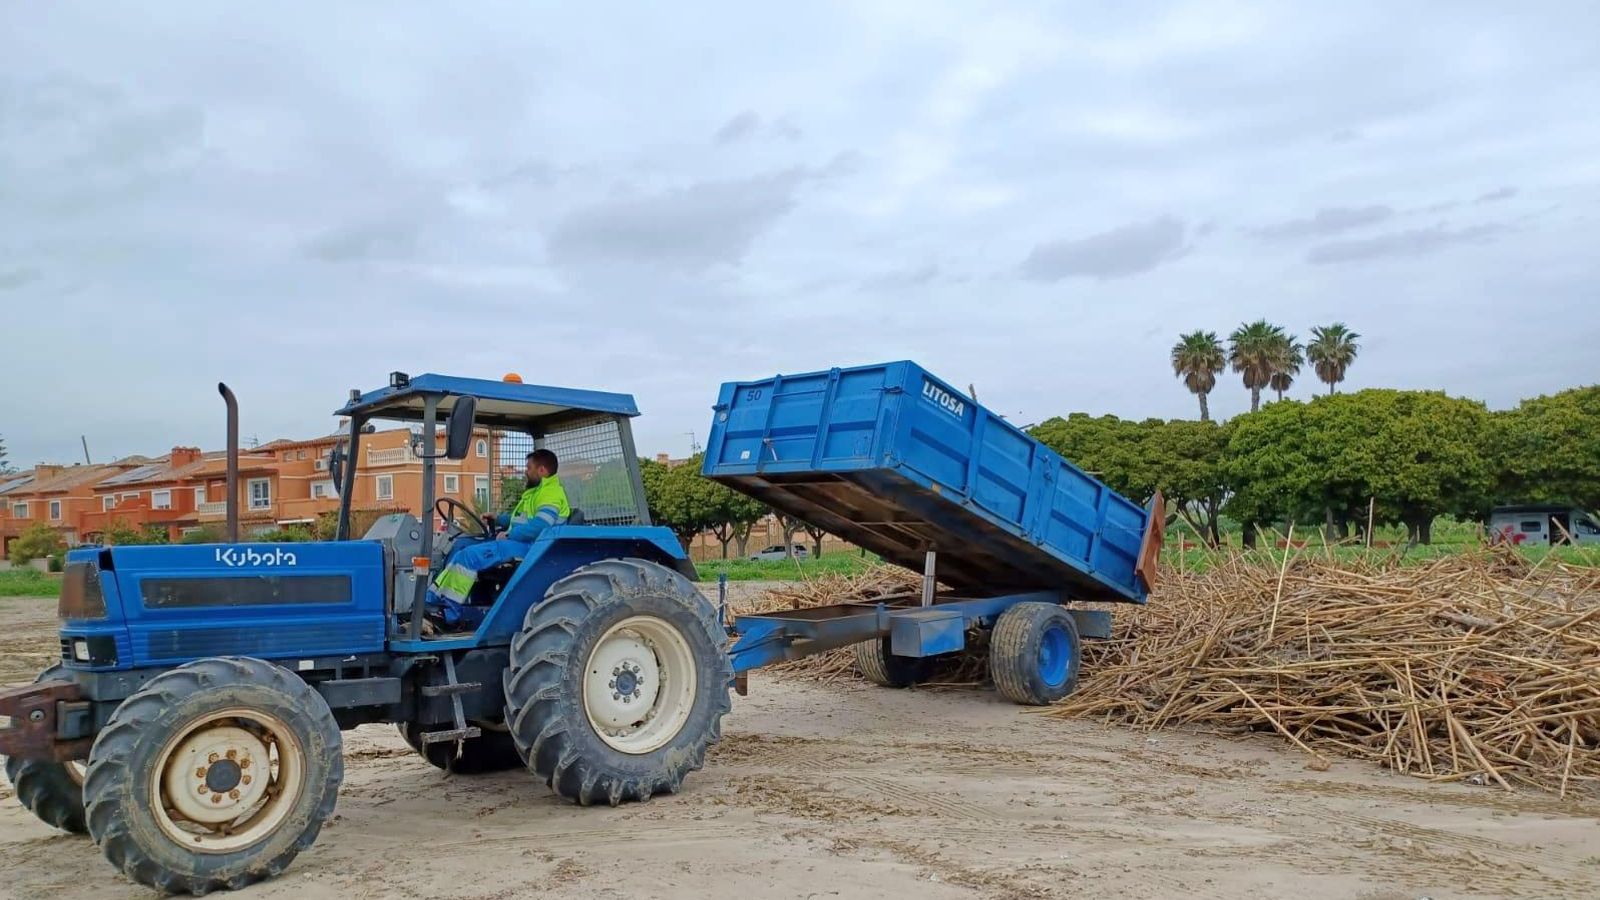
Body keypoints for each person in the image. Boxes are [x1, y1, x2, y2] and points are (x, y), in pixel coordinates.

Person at [425, 449, 570, 629]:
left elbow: (541, 526)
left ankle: (449, 615)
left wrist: (509, 534)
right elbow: (523, 520)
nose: (526, 471)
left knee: (468, 557)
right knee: (460, 547)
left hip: (534, 548)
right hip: (520, 543)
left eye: (529, 467)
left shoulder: (551, 493)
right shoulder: (535, 493)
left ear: (542, 470)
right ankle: (431, 602)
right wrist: (499, 518)